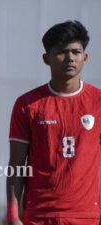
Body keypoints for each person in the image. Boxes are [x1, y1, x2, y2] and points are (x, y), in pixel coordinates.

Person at [7, 20, 101, 225]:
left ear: (85, 58)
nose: (69, 58)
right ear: (46, 58)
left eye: (76, 52)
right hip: (39, 216)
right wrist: (13, 216)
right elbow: (16, 166)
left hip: (86, 217)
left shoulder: (98, 102)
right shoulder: (27, 104)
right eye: (61, 51)